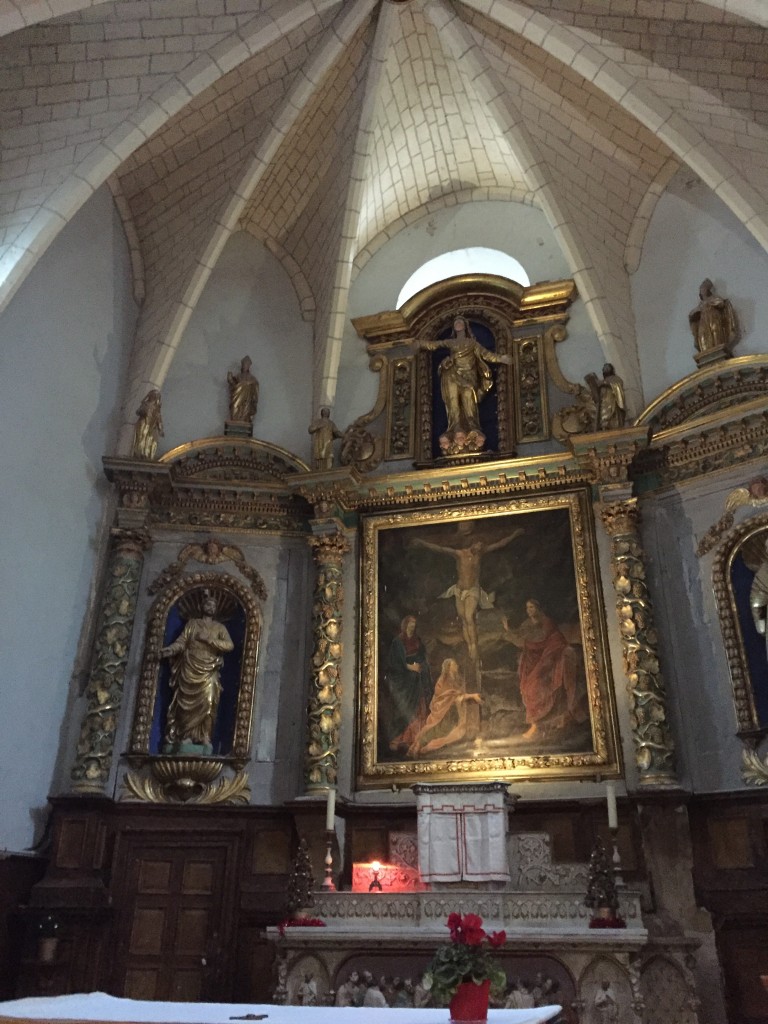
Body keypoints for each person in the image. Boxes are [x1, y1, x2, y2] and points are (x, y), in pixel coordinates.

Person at [412, 522, 523, 681]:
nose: (480, 545)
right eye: (478, 543)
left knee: (470, 617)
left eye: (482, 544)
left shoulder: (480, 553)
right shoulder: (460, 553)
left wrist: (514, 534)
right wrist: (421, 542)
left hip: (472, 590)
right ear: (472, 543)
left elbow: (500, 543)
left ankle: (473, 647)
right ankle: (469, 644)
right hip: (460, 590)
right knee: (464, 618)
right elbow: (440, 548)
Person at [414, 315, 510, 455]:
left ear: (465, 325)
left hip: (469, 375)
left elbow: (486, 354)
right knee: (452, 401)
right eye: (456, 323)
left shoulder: (472, 343)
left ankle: (473, 426)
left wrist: (501, 358)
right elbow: (435, 345)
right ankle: (455, 426)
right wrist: (420, 343)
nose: (458, 324)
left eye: (460, 322)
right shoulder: (451, 342)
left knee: (468, 396)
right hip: (451, 373)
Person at [161, 590, 235, 754]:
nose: (210, 607)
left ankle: (205, 736)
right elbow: (182, 642)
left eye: (213, 605)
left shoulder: (219, 628)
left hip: (209, 669)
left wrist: (210, 640)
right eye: (208, 604)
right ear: (202, 606)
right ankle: (185, 735)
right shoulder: (192, 624)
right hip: (190, 666)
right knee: (185, 704)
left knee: (209, 701)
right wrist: (170, 650)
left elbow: (229, 645)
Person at [502, 599, 585, 741]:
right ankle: (537, 724)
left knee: (534, 686)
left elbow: (548, 641)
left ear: (538, 608)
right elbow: (521, 637)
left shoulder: (546, 622)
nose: (529, 610)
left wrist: (528, 645)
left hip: (551, 655)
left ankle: (536, 724)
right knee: (527, 686)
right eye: (527, 607)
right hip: (535, 658)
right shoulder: (527, 624)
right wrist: (508, 630)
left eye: (532, 607)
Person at [407, 658, 482, 757]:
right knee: (436, 731)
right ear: (448, 667)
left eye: (455, 664)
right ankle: (418, 747)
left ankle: (424, 748)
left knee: (444, 733)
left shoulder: (456, 679)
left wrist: (465, 696)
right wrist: (469, 696)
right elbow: (443, 695)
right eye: (454, 665)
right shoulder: (443, 680)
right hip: (443, 711)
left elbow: (457, 696)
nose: (456, 666)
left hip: (451, 712)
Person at [383, 616, 433, 753]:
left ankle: (417, 739)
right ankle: (402, 739)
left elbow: (422, 657)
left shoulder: (417, 640)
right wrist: (410, 667)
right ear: (405, 625)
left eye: (414, 624)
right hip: (405, 682)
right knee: (407, 709)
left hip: (417, 681)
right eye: (410, 623)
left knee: (419, 707)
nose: (412, 626)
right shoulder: (398, 642)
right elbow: (395, 663)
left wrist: (421, 666)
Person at [688, 278, 739, 354]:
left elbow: (721, 303)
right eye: (701, 289)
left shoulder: (713, 298)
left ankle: (717, 350)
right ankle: (706, 351)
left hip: (713, 318)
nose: (702, 290)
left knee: (715, 333)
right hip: (703, 321)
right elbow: (693, 313)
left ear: (708, 290)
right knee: (702, 335)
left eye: (704, 288)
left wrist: (710, 303)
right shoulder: (701, 304)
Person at [585, 363, 626, 430]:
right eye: (604, 369)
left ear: (611, 370)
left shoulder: (616, 378)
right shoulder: (603, 381)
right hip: (603, 403)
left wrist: (604, 383)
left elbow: (618, 385)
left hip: (612, 402)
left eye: (607, 368)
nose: (606, 370)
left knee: (612, 415)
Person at [132, 389, 164, 460]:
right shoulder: (146, 404)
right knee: (141, 437)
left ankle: (146, 454)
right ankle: (139, 453)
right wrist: (145, 411)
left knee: (150, 440)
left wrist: (160, 428)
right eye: (155, 396)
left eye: (157, 396)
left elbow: (159, 418)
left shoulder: (157, 408)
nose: (155, 398)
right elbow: (138, 411)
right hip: (144, 423)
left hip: (152, 426)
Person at [227, 355, 259, 423]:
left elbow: (255, 390)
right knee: (234, 408)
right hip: (237, 397)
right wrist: (230, 379)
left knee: (245, 413)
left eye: (247, 364)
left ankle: (244, 419)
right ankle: (235, 420)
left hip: (246, 400)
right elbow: (233, 386)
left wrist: (248, 384)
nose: (245, 366)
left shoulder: (252, 378)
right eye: (244, 364)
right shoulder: (238, 376)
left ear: (249, 366)